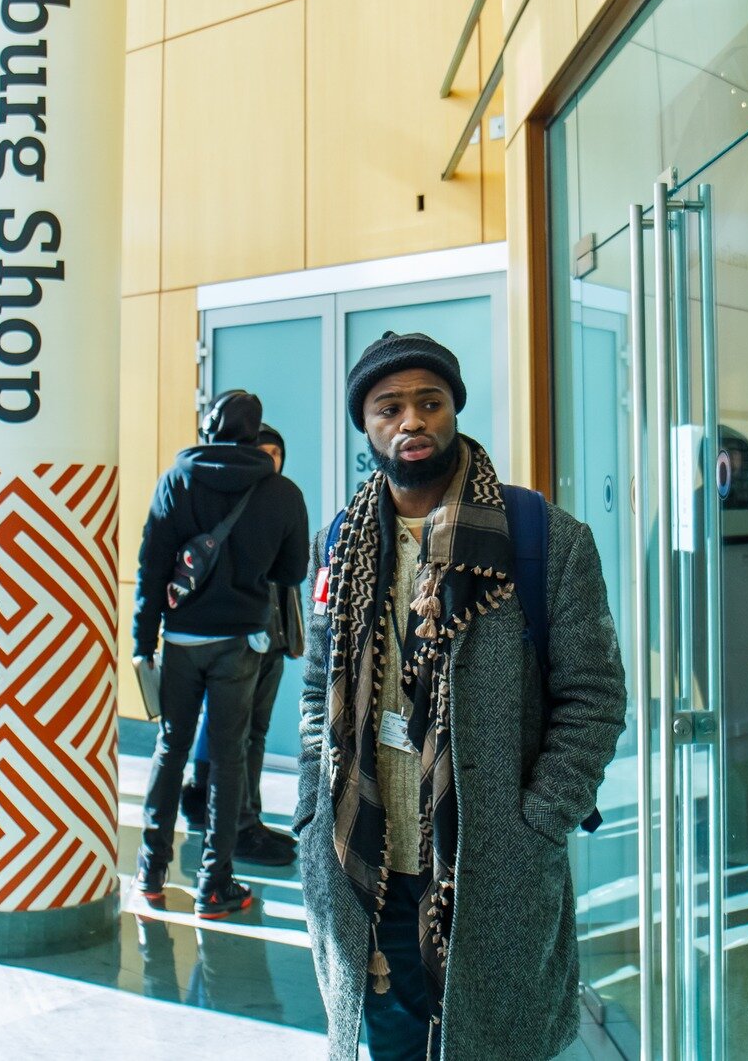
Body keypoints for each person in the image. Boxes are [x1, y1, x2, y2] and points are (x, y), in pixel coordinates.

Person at [296, 332, 627, 1061]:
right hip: (368, 870)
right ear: (367, 426)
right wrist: (311, 811)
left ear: (454, 411)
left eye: (429, 402)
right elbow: (317, 690)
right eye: (389, 407)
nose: (411, 421)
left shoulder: (544, 539)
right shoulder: (339, 545)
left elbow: (595, 697)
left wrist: (537, 822)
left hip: (492, 878)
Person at [135, 390, 309, 919]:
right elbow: (291, 573)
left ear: (209, 425)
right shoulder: (281, 492)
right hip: (241, 645)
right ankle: (215, 884)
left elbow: (151, 568)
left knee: (171, 748)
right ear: (254, 434)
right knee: (230, 759)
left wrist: (144, 643)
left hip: (182, 642)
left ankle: (150, 871)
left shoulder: (177, 481)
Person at [180, 422, 307, 866]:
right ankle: (236, 826)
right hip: (241, 638)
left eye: (277, 452)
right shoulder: (241, 505)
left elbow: (291, 576)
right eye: (262, 452)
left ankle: (242, 818)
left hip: (268, 637)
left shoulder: (277, 500)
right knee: (238, 736)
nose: (271, 461)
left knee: (252, 734)